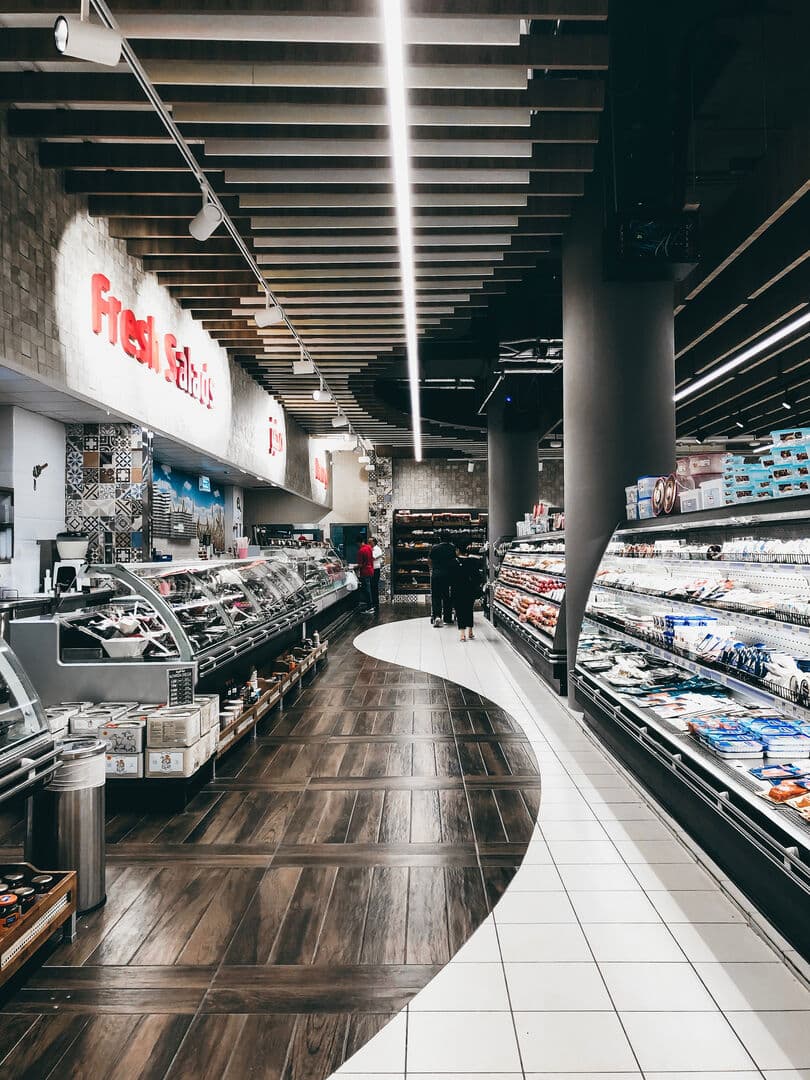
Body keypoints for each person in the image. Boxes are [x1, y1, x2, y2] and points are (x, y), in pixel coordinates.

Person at [452, 540, 484, 642]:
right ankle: (470, 631)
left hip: (457, 589)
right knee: (469, 609)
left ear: (457, 550)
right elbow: (478, 577)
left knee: (460, 610)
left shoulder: (454, 562)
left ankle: (462, 634)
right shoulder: (472, 561)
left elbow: (450, 577)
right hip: (470, 589)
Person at [429, 531, 456, 627]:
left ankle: (437, 617)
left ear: (440, 538)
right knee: (447, 597)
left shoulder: (435, 548)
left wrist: (433, 569)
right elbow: (454, 561)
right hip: (448, 575)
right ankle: (448, 618)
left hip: (436, 575)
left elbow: (430, 560)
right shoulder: (452, 548)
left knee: (436, 596)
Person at [356, 537, 375, 614]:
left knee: (367, 590)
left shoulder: (361, 551)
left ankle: (370, 607)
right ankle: (371, 606)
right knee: (369, 589)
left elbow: (360, 565)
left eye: (357, 544)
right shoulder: (369, 547)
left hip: (365, 572)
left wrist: (354, 567)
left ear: (358, 543)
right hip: (371, 570)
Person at [370, 535, 383, 614]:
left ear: (374, 542)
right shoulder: (372, 549)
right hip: (373, 569)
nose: (368, 543)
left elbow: (373, 558)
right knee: (372, 586)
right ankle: (374, 603)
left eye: (370, 542)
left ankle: (375, 604)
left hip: (375, 569)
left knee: (374, 586)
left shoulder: (377, 549)